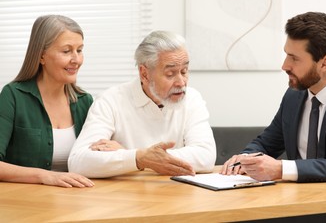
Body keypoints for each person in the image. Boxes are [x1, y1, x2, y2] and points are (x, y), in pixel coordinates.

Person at [221, 12, 326, 222]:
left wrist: (280, 169)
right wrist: (244, 158)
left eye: (294, 58)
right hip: (305, 207)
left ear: (324, 63)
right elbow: (267, 142)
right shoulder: (294, 94)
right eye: (286, 54)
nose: (284, 65)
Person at [68, 30, 216, 178]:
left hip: (177, 193)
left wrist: (134, 156)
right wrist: (140, 158)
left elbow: (206, 156)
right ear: (144, 73)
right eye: (170, 74)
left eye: (184, 71)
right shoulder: (110, 100)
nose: (181, 82)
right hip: (124, 197)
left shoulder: (192, 98)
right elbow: (78, 162)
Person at [0, 15, 94, 188]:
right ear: (41, 56)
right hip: (26, 206)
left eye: (79, 50)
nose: (76, 60)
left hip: (76, 205)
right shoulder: (12, 96)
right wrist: (45, 176)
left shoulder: (85, 101)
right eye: (66, 51)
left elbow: (95, 158)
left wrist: (114, 148)